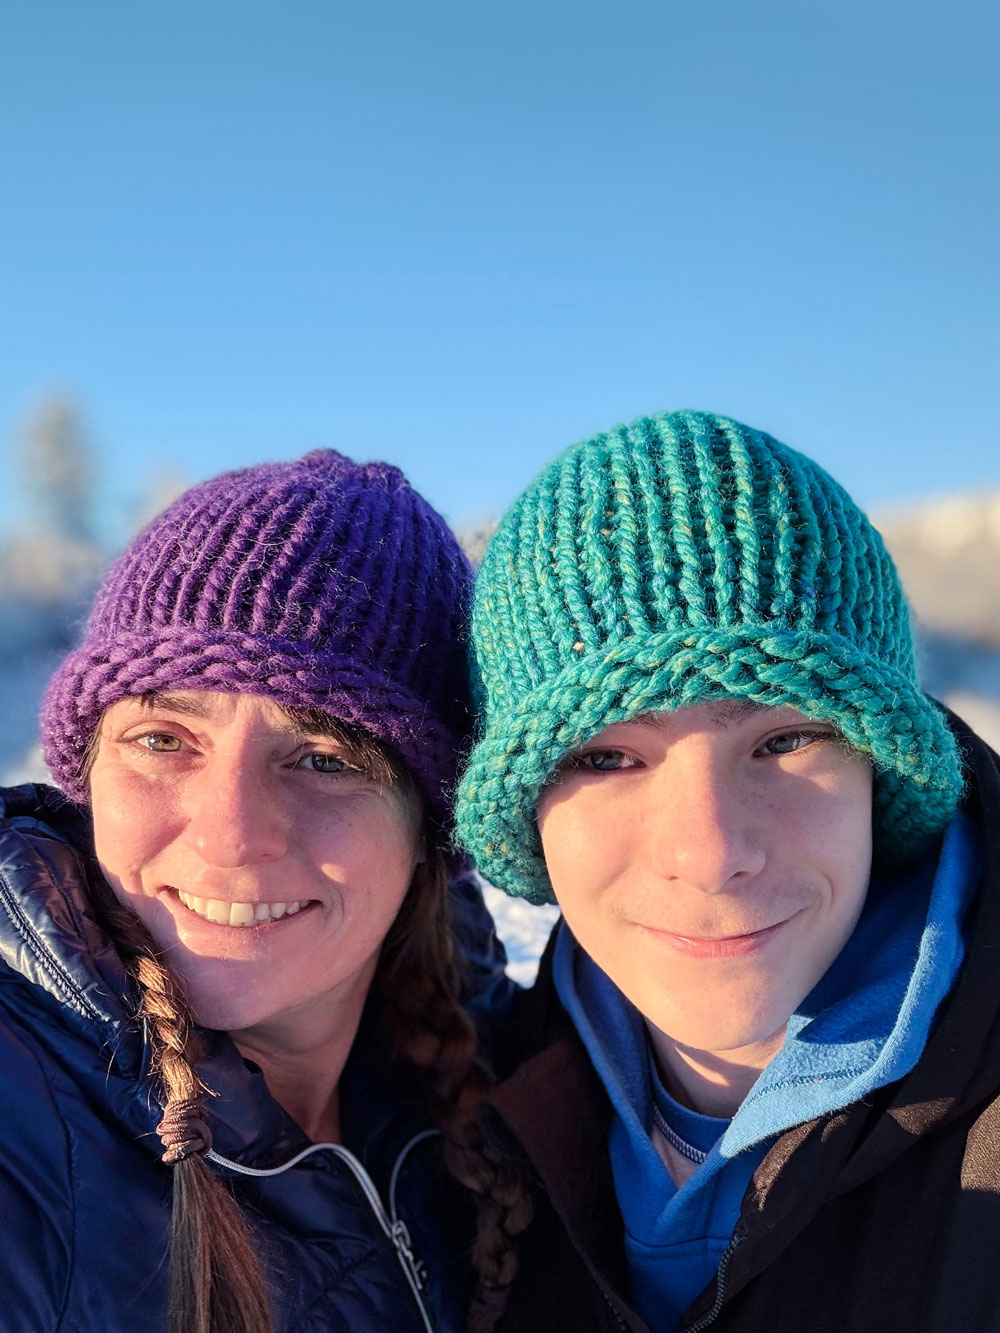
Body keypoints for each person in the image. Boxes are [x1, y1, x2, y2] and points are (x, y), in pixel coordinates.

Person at [456, 409, 1000, 1332]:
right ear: (528, 813)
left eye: (785, 738)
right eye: (607, 758)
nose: (709, 853)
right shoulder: (466, 1113)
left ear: (881, 769)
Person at [0, 449, 527, 1333]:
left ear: (430, 832)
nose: (230, 834)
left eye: (324, 760)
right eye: (165, 739)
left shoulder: (518, 1087)